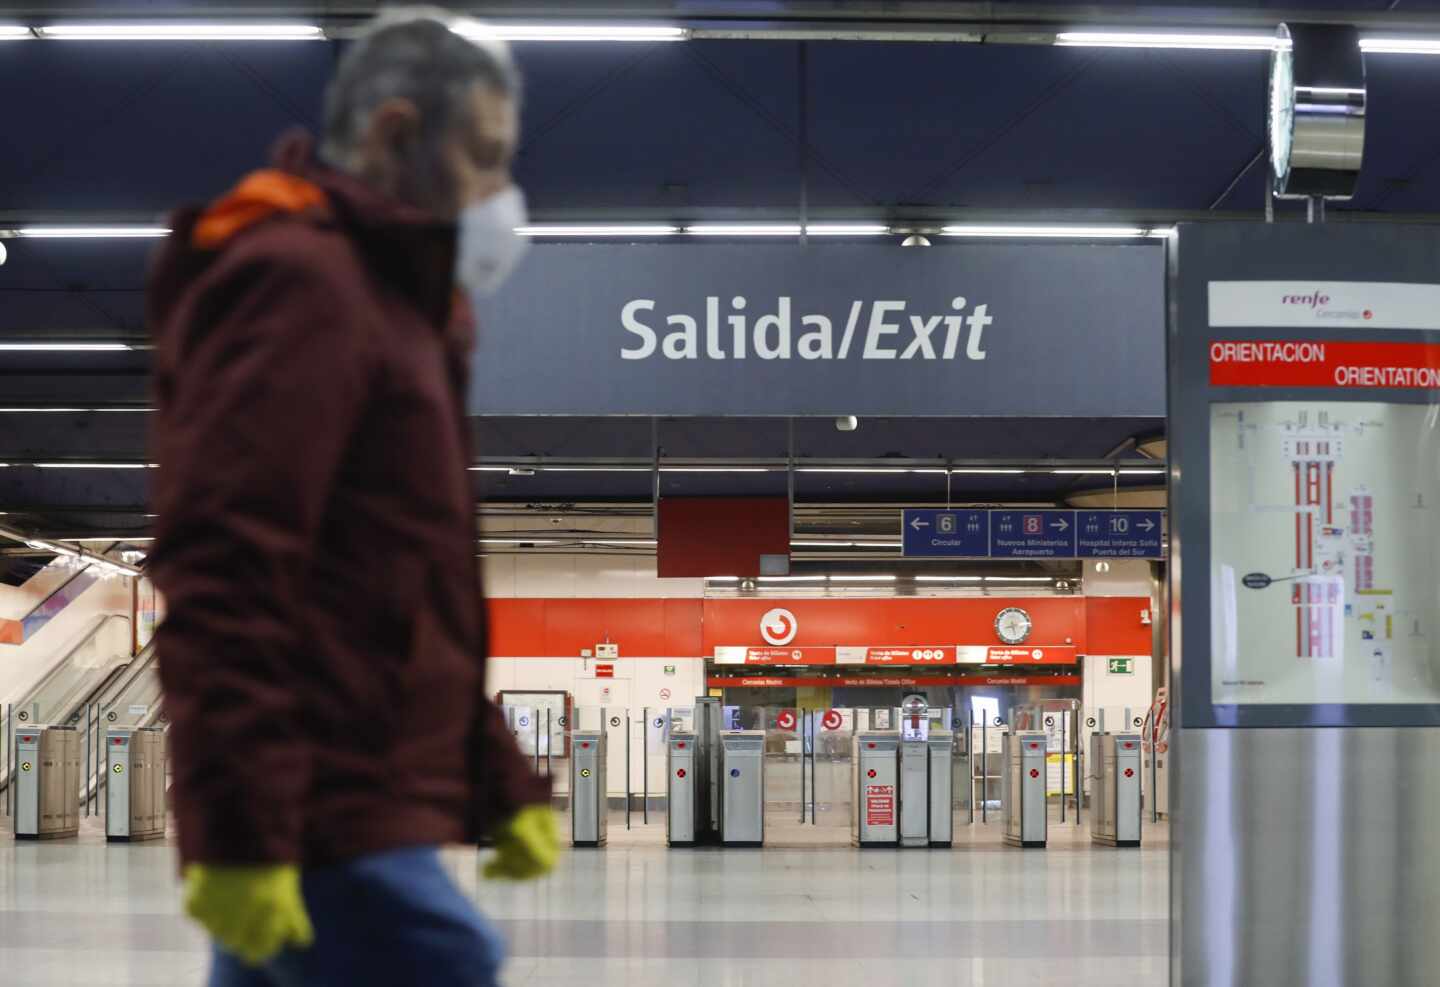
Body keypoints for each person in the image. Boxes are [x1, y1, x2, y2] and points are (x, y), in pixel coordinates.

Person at [145, 9, 556, 985]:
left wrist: (493, 772)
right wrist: (240, 826)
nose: (500, 195)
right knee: (446, 961)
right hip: (323, 795)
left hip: (348, 793)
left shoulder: (404, 313)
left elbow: (408, 588)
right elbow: (226, 561)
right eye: (484, 159)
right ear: (396, 135)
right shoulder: (299, 282)